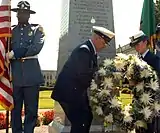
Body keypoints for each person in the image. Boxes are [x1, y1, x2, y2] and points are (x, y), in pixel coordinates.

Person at [51, 26, 115, 133]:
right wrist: (99, 88)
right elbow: (83, 76)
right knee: (80, 121)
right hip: (69, 93)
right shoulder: (84, 51)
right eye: (104, 43)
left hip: (76, 91)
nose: (104, 46)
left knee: (86, 117)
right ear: (97, 38)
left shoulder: (90, 50)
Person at [7, 1, 45, 133]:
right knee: (15, 110)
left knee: (31, 110)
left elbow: (35, 48)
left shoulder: (36, 30)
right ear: (16, 14)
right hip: (15, 77)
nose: (21, 15)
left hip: (31, 76)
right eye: (19, 12)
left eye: (24, 12)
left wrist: (15, 53)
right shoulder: (10, 31)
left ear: (29, 15)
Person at [129, 30, 160, 133]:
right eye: (135, 46)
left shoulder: (154, 59)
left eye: (138, 44)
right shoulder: (136, 60)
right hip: (138, 101)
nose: (136, 48)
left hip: (150, 103)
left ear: (145, 42)